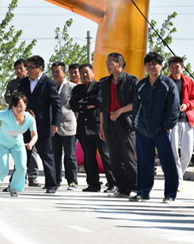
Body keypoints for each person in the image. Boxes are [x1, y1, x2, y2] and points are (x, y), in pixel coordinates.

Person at [131, 52, 180, 203]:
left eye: (155, 64)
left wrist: (167, 126)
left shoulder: (168, 84)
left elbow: (174, 107)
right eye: (148, 64)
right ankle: (143, 192)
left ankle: (170, 194)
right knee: (144, 162)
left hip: (161, 130)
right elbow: (135, 106)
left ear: (161, 66)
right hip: (143, 130)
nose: (151, 67)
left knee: (168, 162)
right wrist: (135, 125)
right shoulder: (141, 85)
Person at [0, 92, 38, 197]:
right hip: (2, 143)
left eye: (21, 106)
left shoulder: (30, 119)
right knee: (3, 170)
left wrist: (31, 143)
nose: (18, 109)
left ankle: (14, 187)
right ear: (12, 107)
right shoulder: (7, 115)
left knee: (22, 167)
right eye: (16, 106)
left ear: (25, 105)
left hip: (17, 144)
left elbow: (34, 134)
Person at [18, 55, 61, 193]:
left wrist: (55, 123)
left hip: (43, 125)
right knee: (22, 154)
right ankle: (16, 183)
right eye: (27, 67)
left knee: (46, 155)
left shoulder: (48, 83)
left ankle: (51, 184)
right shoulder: (23, 83)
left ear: (40, 68)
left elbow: (56, 104)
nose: (28, 70)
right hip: (25, 124)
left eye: (31, 67)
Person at [98, 52, 138, 197]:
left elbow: (136, 103)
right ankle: (123, 189)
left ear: (119, 64)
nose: (108, 66)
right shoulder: (104, 82)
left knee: (128, 157)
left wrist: (120, 111)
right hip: (110, 123)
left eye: (110, 63)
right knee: (115, 158)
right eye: (107, 63)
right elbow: (102, 107)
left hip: (125, 123)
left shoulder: (132, 80)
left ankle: (136, 187)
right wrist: (102, 126)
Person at [70, 64, 112, 192]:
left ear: (93, 73)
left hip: (99, 127)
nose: (84, 75)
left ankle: (113, 183)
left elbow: (99, 100)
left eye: (87, 72)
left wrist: (83, 102)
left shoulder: (100, 86)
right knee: (89, 157)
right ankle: (93, 184)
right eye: (82, 73)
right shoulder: (77, 89)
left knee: (106, 156)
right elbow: (73, 105)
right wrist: (87, 104)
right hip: (84, 128)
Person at [165, 56, 194, 186]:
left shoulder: (189, 81)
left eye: (177, 67)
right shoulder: (165, 82)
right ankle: (178, 180)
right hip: (172, 121)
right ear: (169, 68)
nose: (174, 69)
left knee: (188, 152)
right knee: (173, 151)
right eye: (172, 67)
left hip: (187, 120)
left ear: (182, 67)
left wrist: (187, 105)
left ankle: (177, 175)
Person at [51, 62, 78, 189]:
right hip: (53, 126)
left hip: (68, 125)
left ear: (64, 73)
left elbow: (76, 108)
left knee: (70, 156)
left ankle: (72, 181)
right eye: (53, 71)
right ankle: (56, 180)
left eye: (58, 71)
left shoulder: (72, 87)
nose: (55, 74)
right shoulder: (50, 86)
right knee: (55, 156)